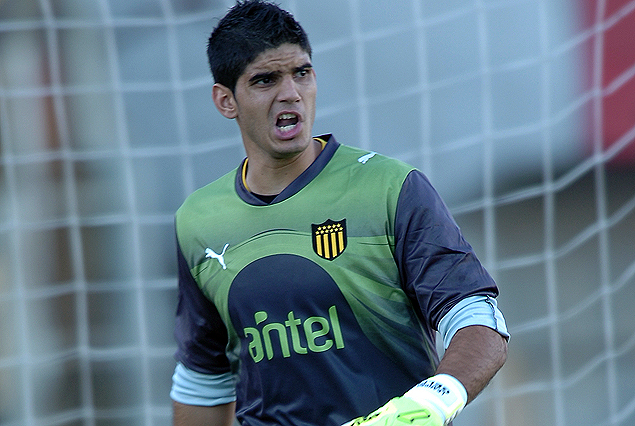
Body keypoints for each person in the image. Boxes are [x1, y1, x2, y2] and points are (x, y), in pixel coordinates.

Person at [170, 1, 509, 426]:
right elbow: (204, 380)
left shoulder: (391, 188)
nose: (290, 93)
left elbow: (478, 321)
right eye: (265, 80)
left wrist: (432, 401)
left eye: (302, 73)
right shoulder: (199, 222)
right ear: (226, 101)